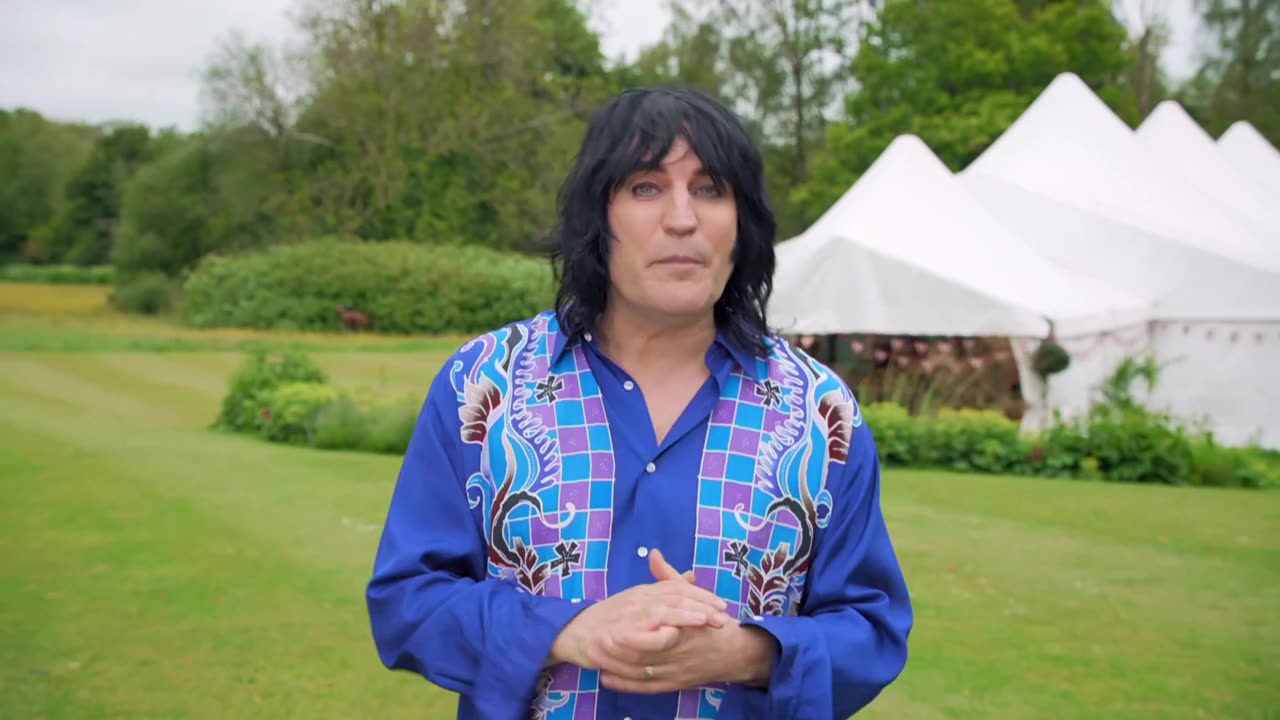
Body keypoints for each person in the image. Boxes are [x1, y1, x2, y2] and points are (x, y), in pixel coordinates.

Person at [365, 85, 913, 720]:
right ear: (597, 217)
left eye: (710, 189)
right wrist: (566, 631)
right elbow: (408, 600)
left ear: (742, 224)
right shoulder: (484, 387)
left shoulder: (820, 412)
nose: (682, 218)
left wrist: (748, 652)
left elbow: (871, 628)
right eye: (646, 187)